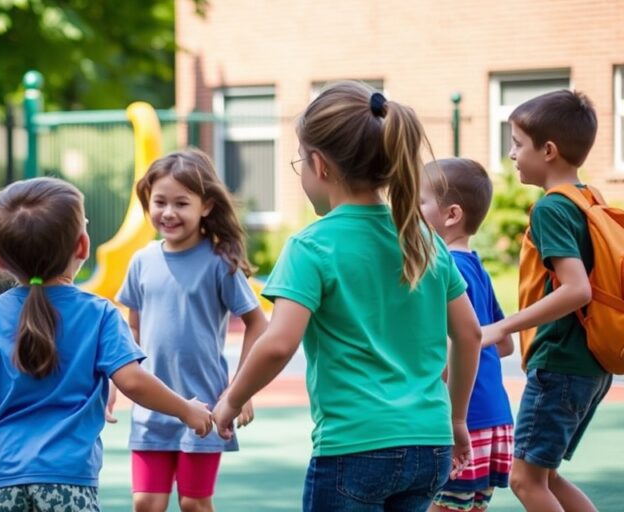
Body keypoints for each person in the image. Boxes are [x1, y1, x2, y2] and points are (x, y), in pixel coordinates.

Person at [212, 81, 482, 511]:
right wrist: (457, 418)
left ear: (319, 164)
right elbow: (469, 335)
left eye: (300, 160)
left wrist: (232, 400)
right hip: (429, 443)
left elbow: (280, 343)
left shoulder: (311, 246)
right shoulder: (425, 240)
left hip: (355, 446)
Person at [0, 177, 214, 511]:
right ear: (82, 246)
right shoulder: (99, 314)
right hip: (68, 476)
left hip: (2, 474)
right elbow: (132, 381)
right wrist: (185, 409)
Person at [113, 149, 269, 512]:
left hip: (206, 407)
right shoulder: (141, 262)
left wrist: (241, 390)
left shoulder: (219, 263)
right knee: (146, 505)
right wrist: (115, 382)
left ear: (207, 206)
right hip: (152, 410)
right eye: (160, 202)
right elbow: (131, 331)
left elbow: (257, 322)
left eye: (181, 203)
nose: (168, 212)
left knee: (194, 505)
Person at [478, 90, 612, 512]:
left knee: (525, 481)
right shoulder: (589, 199)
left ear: (548, 150)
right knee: (545, 476)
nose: (512, 154)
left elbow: (576, 289)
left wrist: (503, 326)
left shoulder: (551, 209)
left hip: (560, 363)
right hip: (590, 364)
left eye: (518, 143)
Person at [421, 158, 515, 512]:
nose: (411, 212)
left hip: (465, 419)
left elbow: (452, 347)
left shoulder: (445, 268)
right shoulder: (477, 266)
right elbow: (504, 344)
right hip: (496, 422)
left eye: (420, 203)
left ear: (451, 215)